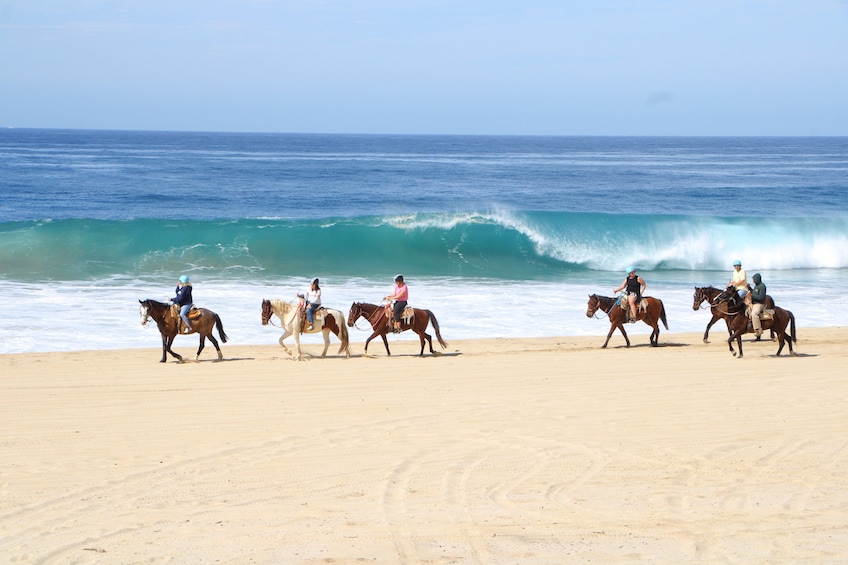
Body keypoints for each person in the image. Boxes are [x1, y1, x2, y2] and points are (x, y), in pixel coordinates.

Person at [750, 272, 766, 340]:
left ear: (757, 279)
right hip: (753, 303)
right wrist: (749, 288)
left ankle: (758, 330)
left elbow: (761, 297)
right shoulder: (756, 286)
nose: (753, 280)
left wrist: (752, 296)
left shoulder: (762, 286)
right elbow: (754, 293)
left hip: (759, 304)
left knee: (754, 314)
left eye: (754, 279)